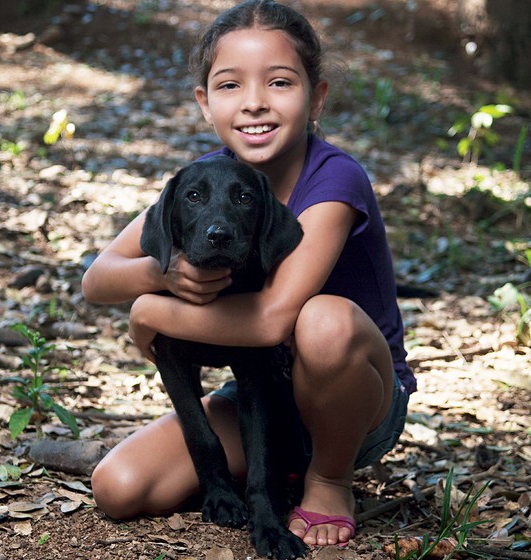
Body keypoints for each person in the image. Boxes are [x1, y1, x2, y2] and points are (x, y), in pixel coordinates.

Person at [81, 0, 416, 549]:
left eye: (280, 82)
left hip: (358, 402)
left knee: (321, 321)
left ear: (317, 98)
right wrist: (161, 277)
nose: (255, 102)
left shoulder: (336, 180)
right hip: (263, 395)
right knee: (119, 487)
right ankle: (272, 466)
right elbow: (99, 279)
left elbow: (271, 321)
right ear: (204, 104)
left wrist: (149, 312)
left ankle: (327, 479)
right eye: (230, 85)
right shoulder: (204, 183)